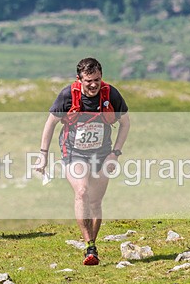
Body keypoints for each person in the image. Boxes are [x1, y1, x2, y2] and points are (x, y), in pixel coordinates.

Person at [35, 57, 130, 266]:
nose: (94, 84)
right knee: (82, 192)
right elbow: (50, 123)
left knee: (95, 202)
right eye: (88, 81)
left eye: (97, 79)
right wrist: (43, 154)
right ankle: (89, 245)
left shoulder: (110, 94)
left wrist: (116, 153)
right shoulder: (68, 95)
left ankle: (92, 247)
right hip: (73, 152)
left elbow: (125, 123)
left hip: (103, 153)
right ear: (79, 79)